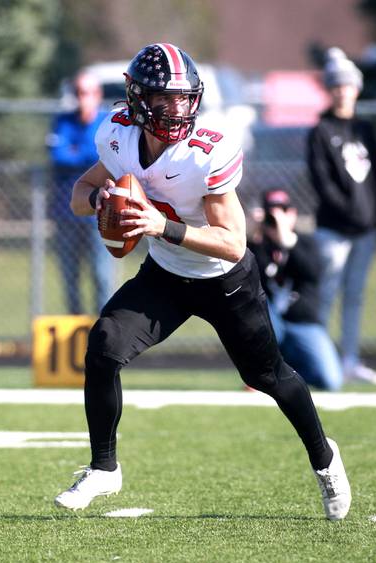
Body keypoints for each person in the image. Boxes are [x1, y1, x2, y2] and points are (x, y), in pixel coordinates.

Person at [53, 43, 351, 521]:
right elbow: (79, 194)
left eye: (185, 98)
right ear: (136, 98)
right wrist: (104, 199)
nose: (178, 109)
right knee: (104, 342)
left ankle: (324, 459)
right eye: (165, 99)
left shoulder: (205, 150)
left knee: (267, 376)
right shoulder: (118, 135)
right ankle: (104, 468)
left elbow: (233, 244)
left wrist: (160, 226)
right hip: (168, 275)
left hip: (224, 280)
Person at [307, 47, 376, 385]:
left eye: (348, 85)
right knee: (326, 294)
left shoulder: (366, 129)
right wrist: (351, 214)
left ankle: (351, 359)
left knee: (354, 297)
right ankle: (321, 361)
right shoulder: (320, 131)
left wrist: (372, 215)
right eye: (336, 85)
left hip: (365, 231)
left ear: (357, 89)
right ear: (330, 89)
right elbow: (323, 182)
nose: (343, 91)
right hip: (334, 230)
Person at [248, 188, 344, 391]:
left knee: (331, 380)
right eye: (271, 214)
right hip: (272, 322)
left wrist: (286, 239)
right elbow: (248, 279)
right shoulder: (257, 246)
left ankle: (286, 374)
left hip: (303, 322)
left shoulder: (307, 243)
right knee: (257, 316)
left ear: (292, 214)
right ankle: (259, 376)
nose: (276, 219)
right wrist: (253, 236)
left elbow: (312, 272)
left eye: (282, 212)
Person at [47, 70, 114, 314]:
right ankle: (76, 329)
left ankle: (104, 328)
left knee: (102, 275)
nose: (81, 98)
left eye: (87, 92)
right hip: (66, 212)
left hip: (101, 212)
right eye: (78, 92)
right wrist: (89, 154)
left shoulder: (108, 121)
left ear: (98, 94)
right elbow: (58, 155)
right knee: (69, 277)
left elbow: (105, 157)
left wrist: (79, 150)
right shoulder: (63, 121)